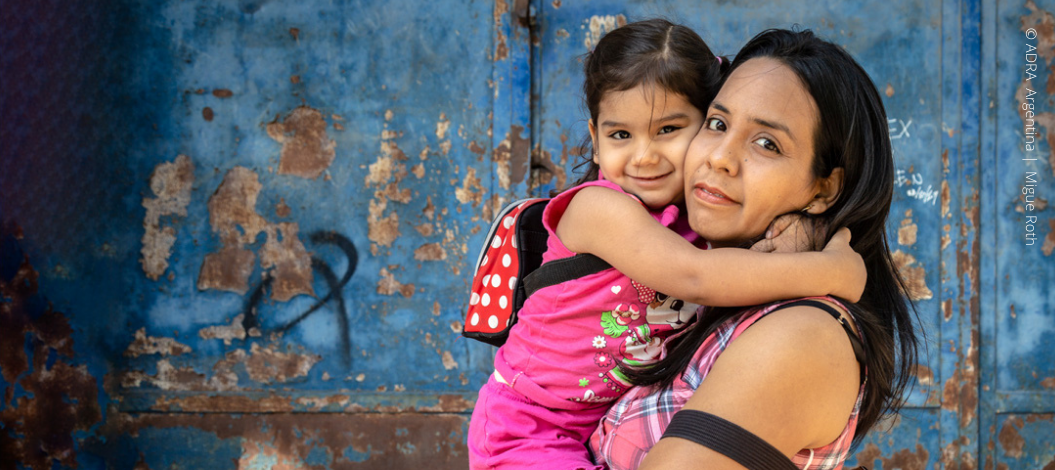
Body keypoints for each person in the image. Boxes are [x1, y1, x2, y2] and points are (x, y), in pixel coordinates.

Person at [467, 20, 869, 470]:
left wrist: (802, 232)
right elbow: (696, 276)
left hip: (581, 425)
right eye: (621, 135)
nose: (644, 156)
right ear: (595, 141)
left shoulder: (789, 325)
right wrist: (831, 269)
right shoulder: (599, 209)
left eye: (669, 130)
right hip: (529, 424)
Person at [588, 28, 921, 470]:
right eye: (717, 123)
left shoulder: (803, 336)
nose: (719, 157)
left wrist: (822, 262)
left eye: (767, 144)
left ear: (824, 190)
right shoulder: (691, 289)